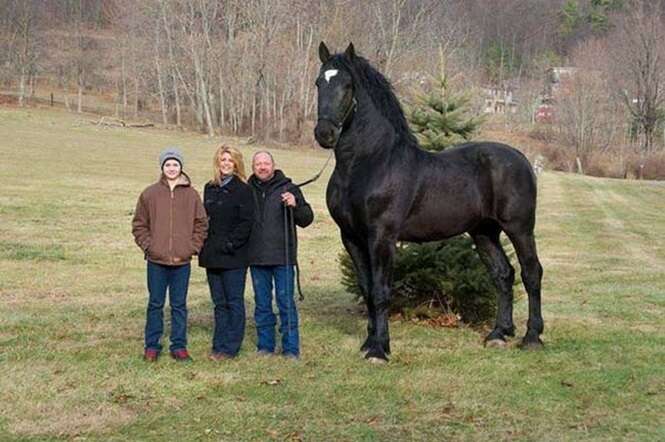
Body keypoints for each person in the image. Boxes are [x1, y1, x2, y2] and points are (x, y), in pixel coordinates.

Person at [131, 147, 208, 362]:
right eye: (168, 165)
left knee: (179, 305)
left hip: (182, 261)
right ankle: (152, 346)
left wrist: (192, 247)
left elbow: (201, 224)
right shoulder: (150, 193)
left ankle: (179, 346)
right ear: (162, 168)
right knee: (155, 303)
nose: (172, 168)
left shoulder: (192, 195)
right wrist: (149, 246)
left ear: (181, 167)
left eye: (175, 164)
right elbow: (139, 224)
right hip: (156, 260)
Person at [248, 151, 314, 359]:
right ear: (253, 167)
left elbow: (307, 219)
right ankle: (265, 346)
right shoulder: (247, 190)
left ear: (273, 165)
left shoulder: (289, 188)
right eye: (258, 164)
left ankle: (291, 349)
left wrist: (295, 204)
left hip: (283, 257)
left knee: (286, 303)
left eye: (266, 163)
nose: (262, 167)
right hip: (257, 258)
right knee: (262, 304)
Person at [198, 145, 254, 361]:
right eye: (223, 160)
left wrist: (231, 244)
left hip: (234, 256)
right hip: (212, 255)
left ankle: (231, 347)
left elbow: (246, 222)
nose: (226, 164)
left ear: (236, 163)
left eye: (230, 160)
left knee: (234, 301)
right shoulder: (209, 188)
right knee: (219, 302)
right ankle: (218, 344)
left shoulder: (244, 190)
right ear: (217, 162)